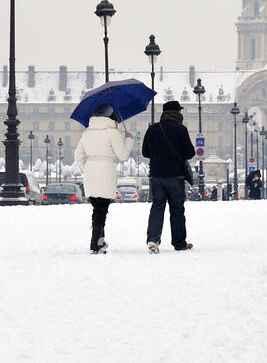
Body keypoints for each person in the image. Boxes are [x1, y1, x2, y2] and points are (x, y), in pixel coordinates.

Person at [73, 104, 134, 253]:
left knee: (98, 209)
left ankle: (100, 242)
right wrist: (129, 139)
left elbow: (78, 156)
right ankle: (95, 244)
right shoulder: (112, 133)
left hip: (90, 172)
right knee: (101, 210)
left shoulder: (87, 133)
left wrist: (88, 167)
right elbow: (123, 155)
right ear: (111, 117)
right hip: (106, 172)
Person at [141, 99, 196, 252]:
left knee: (157, 207)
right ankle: (179, 243)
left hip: (157, 177)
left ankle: (153, 241)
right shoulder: (181, 129)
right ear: (177, 112)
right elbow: (190, 153)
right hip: (176, 176)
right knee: (177, 210)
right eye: (180, 111)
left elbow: (145, 152)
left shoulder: (152, 130)